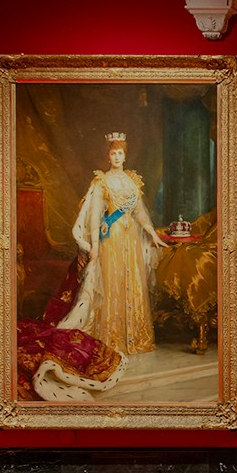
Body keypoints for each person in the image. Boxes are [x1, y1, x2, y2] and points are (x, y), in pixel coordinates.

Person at [57, 132, 168, 355]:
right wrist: (95, 249)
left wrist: (152, 233)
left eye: (120, 153)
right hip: (112, 239)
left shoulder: (132, 181)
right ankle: (114, 336)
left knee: (132, 280)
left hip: (131, 239)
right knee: (113, 283)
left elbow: (139, 212)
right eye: (113, 153)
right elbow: (95, 217)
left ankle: (134, 336)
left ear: (125, 156)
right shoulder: (101, 182)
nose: (117, 157)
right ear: (108, 157)